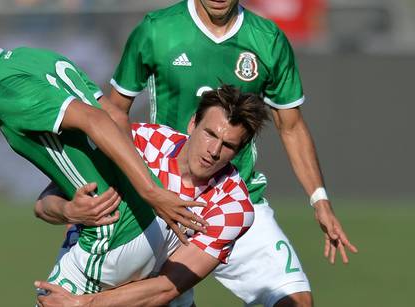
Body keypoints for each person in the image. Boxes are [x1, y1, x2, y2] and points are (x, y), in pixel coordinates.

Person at [0, 0, 209, 295]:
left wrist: (152, 192)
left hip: (114, 234)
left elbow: (96, 120)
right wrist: (70, 206)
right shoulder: (33, 58)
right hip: (151, 222)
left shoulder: (4, 90)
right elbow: (112, 116)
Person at [105, 0, 358, 306]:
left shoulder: (267, 39)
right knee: (153, 297)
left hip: (235, 200)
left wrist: (319, 199)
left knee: (295, 301)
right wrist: (108, 182)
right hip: (165, 202)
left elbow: (290, 126)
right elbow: (114, 113)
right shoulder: (157, 30)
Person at [36, 84, 271, 307]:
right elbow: (43, 205)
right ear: (192, 124)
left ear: (239, 151)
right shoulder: (140, 141)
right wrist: (69, 211)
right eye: (210, 134)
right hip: (78, 285)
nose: (214, 151)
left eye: (228, 145)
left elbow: (167, 287)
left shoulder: (232, 206)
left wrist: (84, 304)